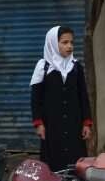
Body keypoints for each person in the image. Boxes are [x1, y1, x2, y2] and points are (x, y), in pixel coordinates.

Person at [30, 25, 92, 172]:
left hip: (74, 124)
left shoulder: (76, 67)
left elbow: (83, 96)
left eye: (71, 42)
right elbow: (35, 98)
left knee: (76, 163)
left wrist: (86, 123)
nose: (69, 46)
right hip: (52, 125)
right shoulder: (43, 67)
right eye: (64, 42)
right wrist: (38, 123)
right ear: (53, 43)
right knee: (53, 165)